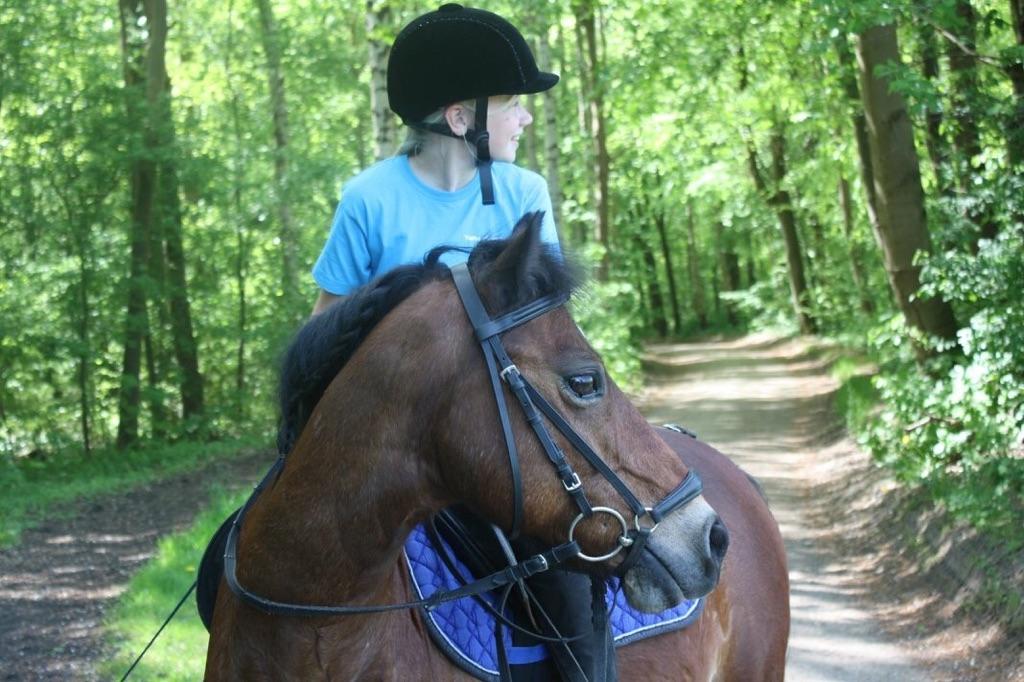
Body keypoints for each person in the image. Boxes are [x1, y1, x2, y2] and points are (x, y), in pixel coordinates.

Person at [308, 5, 615, 682]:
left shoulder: (524, 195)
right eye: (512, 105)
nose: (525, 119)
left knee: (573, 583)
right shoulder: (367, 201)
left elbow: (555, 340)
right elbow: (321, 342)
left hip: (501, 452)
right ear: (460, 118)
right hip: (388, 460)